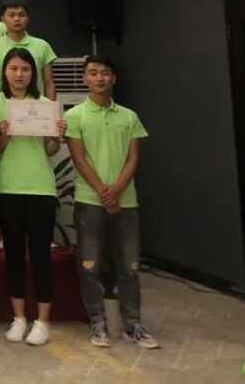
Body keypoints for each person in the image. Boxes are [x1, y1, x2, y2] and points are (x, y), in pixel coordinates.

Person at [65, 56, 159, 350]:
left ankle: (133, 324)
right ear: (85, 78)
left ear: (113, 78)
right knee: (89, 266)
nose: (99, 78)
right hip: (89, 202)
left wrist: (116, 191)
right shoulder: (74, 116)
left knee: (129, 267)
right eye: (93, 73)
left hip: (126, 202)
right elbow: (79, 159)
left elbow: (133, 159)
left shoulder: (129, 116)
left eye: (105, 73)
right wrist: (102, 191)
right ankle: (98, 322)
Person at [0, 48, 66, 346]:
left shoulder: (46, 105)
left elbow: (50, 150)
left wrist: (55, 135)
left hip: (40, 188)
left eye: (25, 69)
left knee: (40, 255)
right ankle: (19, 317)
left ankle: (43, 321)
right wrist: (4, 134)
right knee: (13, 254)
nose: (19, 74)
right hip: (7, 187)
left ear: (33, 73)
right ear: (5, 72)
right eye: (13, 68)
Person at [0, 0, 58, 99]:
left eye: (21, 15)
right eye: (11, 15)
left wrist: (51, 106)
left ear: (28, 18)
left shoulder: (42, 46)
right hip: (4, 105)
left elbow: (49, 83)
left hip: (36, 104)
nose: (17, 19)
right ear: (3, 19)